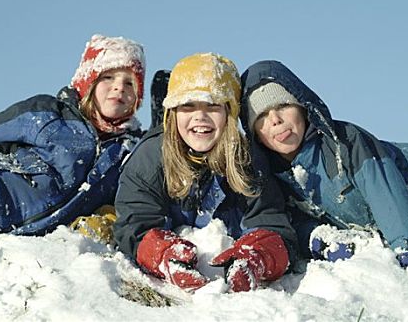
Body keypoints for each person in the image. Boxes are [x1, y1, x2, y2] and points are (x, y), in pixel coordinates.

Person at [239, 60, 408, 277]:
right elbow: (291, 220)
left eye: (283, 105)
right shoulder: (276, 176)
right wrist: (320, 240)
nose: (275, 120)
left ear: (302, 108)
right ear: (254, 132)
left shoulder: (345, 141)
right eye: (261, 116)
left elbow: (384, 193)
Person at [0, 34, 146, 264]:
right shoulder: (49, 112)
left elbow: (131, 197)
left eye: (130, 82)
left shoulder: (125, 154)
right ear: (89, 81)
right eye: (108, 77)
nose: (119, 87)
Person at [114, 53, 297, 292]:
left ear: (229, 114)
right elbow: (134, 224)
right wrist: (161, 252)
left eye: (212, 105)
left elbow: (271, 222)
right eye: (188, 106)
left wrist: (259, 255)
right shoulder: (150, 158)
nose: (200, 116)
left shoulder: (247, 159)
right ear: (173, 114)